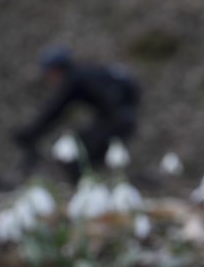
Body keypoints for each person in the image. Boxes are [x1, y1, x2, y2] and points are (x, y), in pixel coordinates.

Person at [15, 47, 140, 179]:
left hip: (117, 121)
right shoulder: (83, 74)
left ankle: (89, 187)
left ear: (56, 69)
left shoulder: (73, 79)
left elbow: (55, 110)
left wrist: (30, 133)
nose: (49, 79)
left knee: (78, 157)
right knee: (86, 153)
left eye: (49, 73)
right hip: (121, 119)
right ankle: (94, 184)